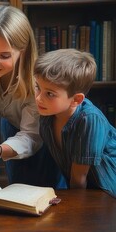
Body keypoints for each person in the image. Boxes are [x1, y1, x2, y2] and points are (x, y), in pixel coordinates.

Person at [0, 5, 65, 188]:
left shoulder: (36, 84)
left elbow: (30, 136)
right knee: (16, 192)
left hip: (45, 141)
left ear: (23, 51)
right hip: (11, 129)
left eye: (4, 55)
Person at [34, 48, 116, 197]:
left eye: (50, 94)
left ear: (76, 100)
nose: (39, 98)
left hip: (108, 193)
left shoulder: (88, 119)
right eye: (37, 87)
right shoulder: (47, 115)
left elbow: (79, 178)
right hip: (85, 193)